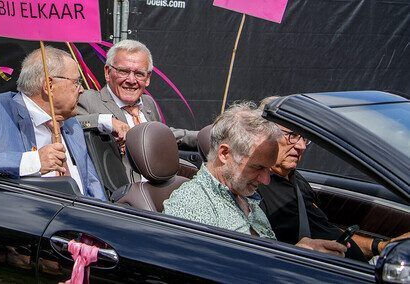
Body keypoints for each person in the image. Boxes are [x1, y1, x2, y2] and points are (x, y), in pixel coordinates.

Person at [163, 102, 347, 256]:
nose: (266, 180)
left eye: (268, 168)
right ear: (225, 153)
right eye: (258, 167)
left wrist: (297, 252)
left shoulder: (243, 197)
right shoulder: (190, 207)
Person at [0, 47, 106, 201]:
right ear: (49, 85)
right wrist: (33, 161)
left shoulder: (71, 124)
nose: (82, 89)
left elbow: (92, 186)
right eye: (76, 82)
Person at [257, 97, 410, 261]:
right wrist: (298, 253)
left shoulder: (297, 180)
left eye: (304, 137)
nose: (301, 146)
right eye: (292, 135)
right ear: (266, 136)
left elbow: (325, 230)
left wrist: (381, 246)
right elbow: (261, 258)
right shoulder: (256, 187)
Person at [76, 39, 198, 149]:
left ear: (148, 78)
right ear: (108, 72)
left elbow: (160, 135)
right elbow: (69, 125)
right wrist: (108, 121)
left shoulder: (148, 102)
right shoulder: (87, 100)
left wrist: (210, 136)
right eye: (123, 71)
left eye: (139, 74)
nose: (131, 80)